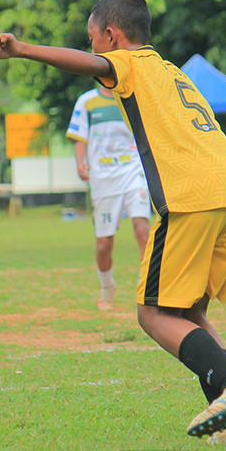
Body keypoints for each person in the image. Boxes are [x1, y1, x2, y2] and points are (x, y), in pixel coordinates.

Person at [0, 0, 226, 443]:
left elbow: (91, 65)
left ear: (111, 36)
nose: (92, 48)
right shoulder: (172, 71)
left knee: (151, 314)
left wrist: (22, 49)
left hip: (192, 196)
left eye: (93, 38)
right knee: (188, 312)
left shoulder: (129, 63)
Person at [67, 85, 152, 310]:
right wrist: (80, 163)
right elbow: (79, 137)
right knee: (104, 244)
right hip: (103, 179)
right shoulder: (86, 101)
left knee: (142, 229)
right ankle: (107, 287)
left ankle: (146, 289)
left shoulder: (132, 96)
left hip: (134, 171)